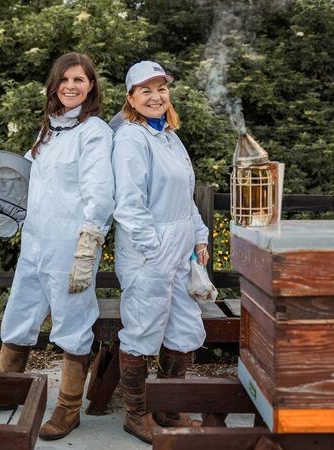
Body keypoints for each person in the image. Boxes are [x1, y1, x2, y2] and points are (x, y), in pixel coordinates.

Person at [0, 52, 114, 440]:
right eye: (64, 80)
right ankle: (4, 389)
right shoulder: (49, 128)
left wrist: (90, 240)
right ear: (54, 84)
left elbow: (100, 192)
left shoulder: (94, 131)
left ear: (91, 86)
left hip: (70, 246)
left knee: (72, 324)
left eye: (79, 80)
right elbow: (26, 176)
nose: (71, 86)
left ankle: (67, 408)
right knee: (20, 314)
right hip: (35, 240)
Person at [111, 61, 209, 443]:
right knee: (142, 330)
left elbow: (184, 199)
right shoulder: (131, 139)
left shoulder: (169, 135)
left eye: (161, 89)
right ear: (131, 98)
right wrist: (154, 248)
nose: (156, 96)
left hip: (180, 252)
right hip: (147, 254)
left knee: (184, 328)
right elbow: (129, 204)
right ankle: (135, 415)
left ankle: (168, 407)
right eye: (146, 90)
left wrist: (199, 236)